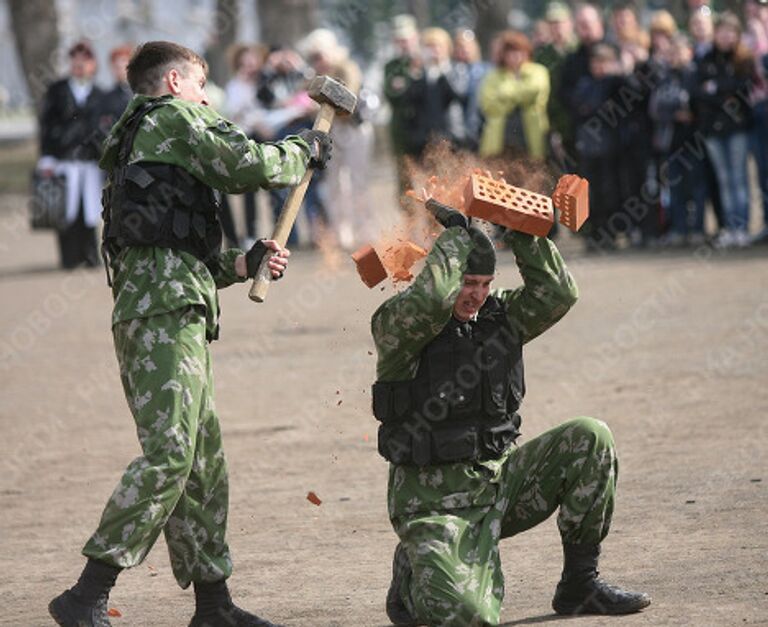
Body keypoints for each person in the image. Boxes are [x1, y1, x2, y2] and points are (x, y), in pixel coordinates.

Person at [48, 40, 331, 627]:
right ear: (175, 82)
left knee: (202, 463)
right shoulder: (173, 117)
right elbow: (245, 164)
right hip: (160, 317)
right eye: (202, 84)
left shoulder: (141, 140)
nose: (207, 97)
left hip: (169, 305)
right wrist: (302, 149)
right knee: (173, 454)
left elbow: (176, 256)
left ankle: (214, 605)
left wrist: (243, 262)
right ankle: (87, 592)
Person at [371, 197, 651, 626]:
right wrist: (455, 239)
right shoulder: (398, 325)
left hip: (498, 485)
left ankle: (579, 584)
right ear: (445, 277)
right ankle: (415, 570)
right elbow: (429, 303)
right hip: (434, 504)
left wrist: (521, 228)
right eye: (467, 283)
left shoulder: (499, 315)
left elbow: (557, 293)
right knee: (470, 617)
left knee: (590, 437)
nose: (477, 295)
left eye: (485, 283)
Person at [38, 40, 106, 269]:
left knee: (88, 210)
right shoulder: (57, 90)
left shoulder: (99, 94)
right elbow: (46, 125)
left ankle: (89, 256)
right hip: (63, 159)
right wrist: (46, 156)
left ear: (92, 64)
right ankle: (68, 258)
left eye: (84, 61)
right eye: (75, 61)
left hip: (89, 161)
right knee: (65, 211)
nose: (79, 65)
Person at [692, 12, 754, 248]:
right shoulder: (706, 59)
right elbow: (697, 93)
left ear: (737, 35)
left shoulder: (742, 60)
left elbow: (741, 91)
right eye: (721, 31)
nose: (725, 36)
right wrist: (720, 93)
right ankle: (729, 227)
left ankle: (743, 227)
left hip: (737, 128)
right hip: (713, 131)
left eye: (731, 31)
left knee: (739, 178)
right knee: (724, 180)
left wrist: (715, 89)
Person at [479, 31, 550, 160]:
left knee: (532, 177)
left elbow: (534, 91)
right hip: (500, 141)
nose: (516, 56)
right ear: (504, 55)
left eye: (520, 51)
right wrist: (519, 97)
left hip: (530, 139)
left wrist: (505, 94)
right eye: (511, 52)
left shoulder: (538, 71)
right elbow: (488, 104)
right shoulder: (493, 75)